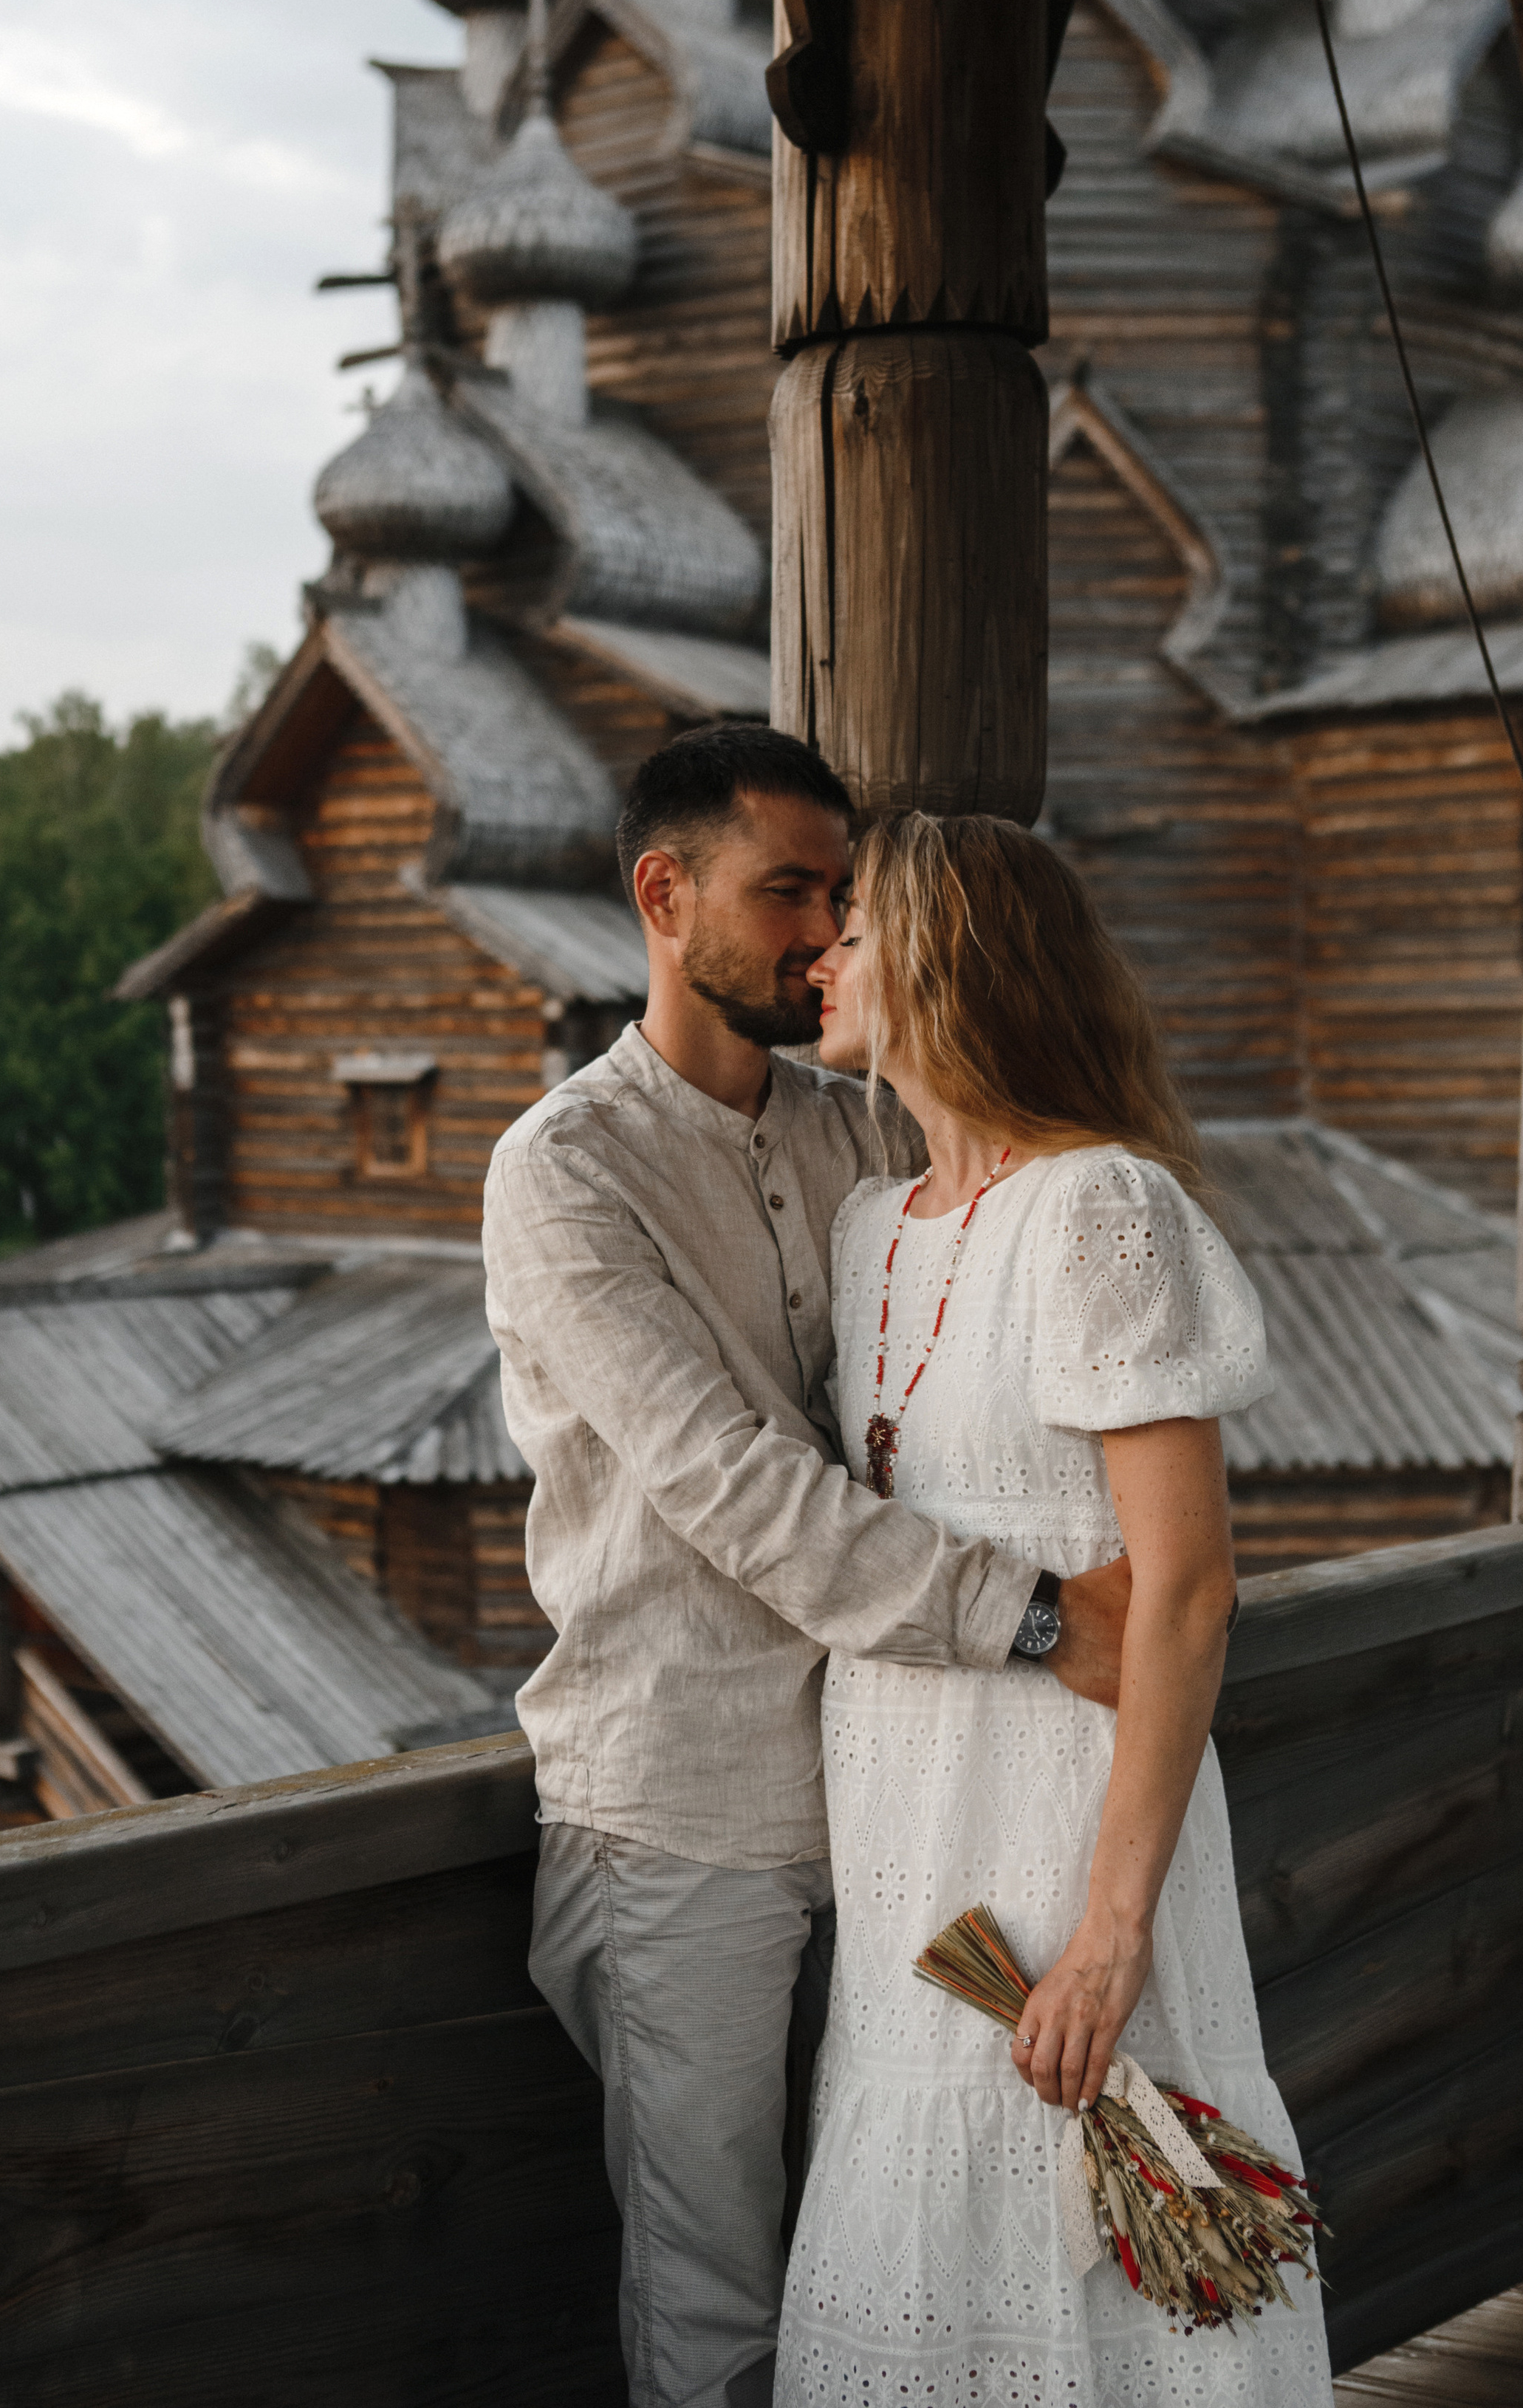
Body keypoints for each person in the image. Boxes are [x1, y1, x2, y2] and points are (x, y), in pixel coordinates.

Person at [482, 727, 1134, 2408]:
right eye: (786, 892)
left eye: (840, 899)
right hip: (678, 1806)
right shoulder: (564, 1170)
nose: (825, 935)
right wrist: (1040, 1612)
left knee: (896, 2243)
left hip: (902, 1787)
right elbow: (728, 1481)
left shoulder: (863, 1139)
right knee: (716, 2307)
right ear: (661, 893)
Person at [774, 812, 1333, 2408]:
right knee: (921, 2218)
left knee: (1093, 2213)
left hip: (1066, 1830)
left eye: (858, 924)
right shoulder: (867, 1231)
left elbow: (1185, 1586)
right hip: (903, 1826)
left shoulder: (1098, 1209)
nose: (822, 951)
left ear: (945, 961)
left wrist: (1109, 1935)